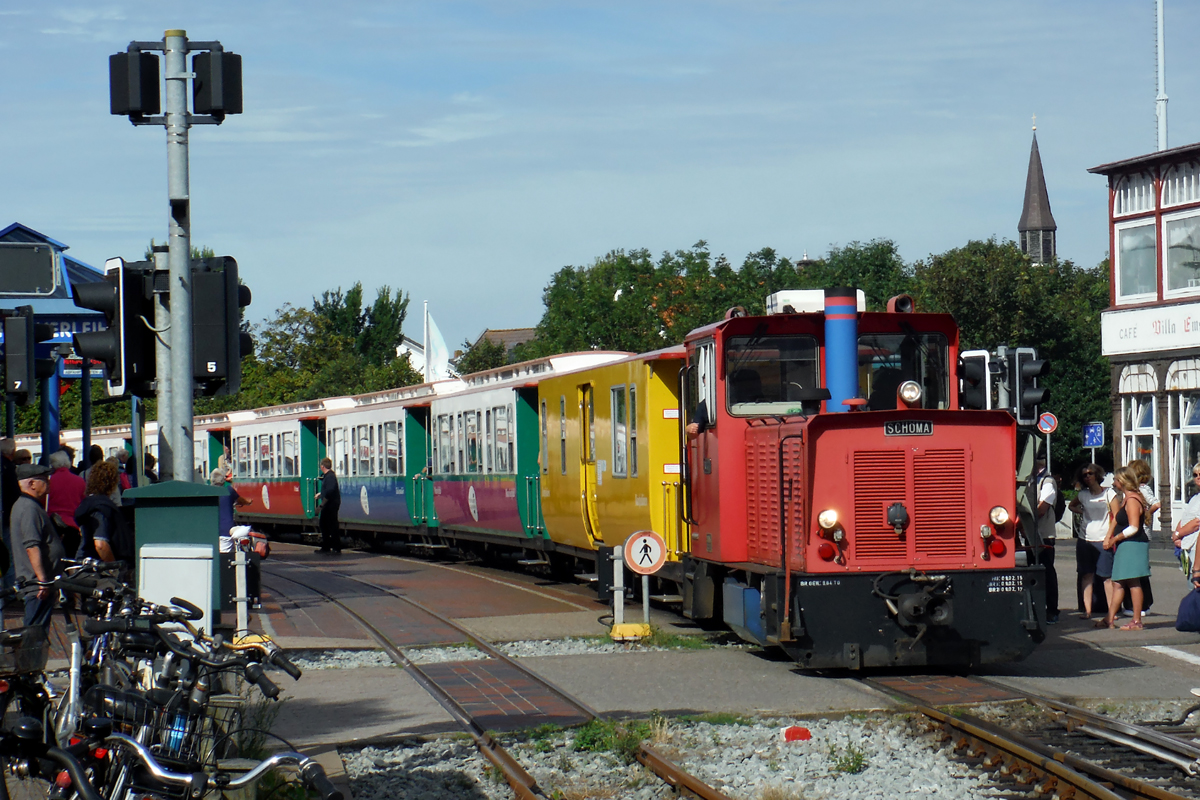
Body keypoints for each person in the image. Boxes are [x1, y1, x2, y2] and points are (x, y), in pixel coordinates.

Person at [10, 464, 64, 629]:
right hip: (36, 587)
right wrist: (42, 580)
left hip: (39, 585)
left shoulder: (31, 506)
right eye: (44, 480)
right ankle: (28, 656)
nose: (48, 483)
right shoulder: (28, 508)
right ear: (32, 484)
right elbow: (31, 546)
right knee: (33, 634)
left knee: (37, 632)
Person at [1100, 466, 1151, 630]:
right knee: (1119, 582)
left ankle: (1136, 621)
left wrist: (1115, 538)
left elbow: (1134, 527)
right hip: (1127, 545)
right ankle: (1110, 618)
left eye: (1115, 480)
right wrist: (1109, 535)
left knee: (1133, 581)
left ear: (1122, 481)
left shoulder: (1132, 500)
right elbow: (1116, 520)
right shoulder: (1127, 498)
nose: (1114, 483)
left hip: (1133, 544)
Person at [1068, 464, 1114, 618]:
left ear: (1097, 475)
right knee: (1086, 574)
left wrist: (1110, 536)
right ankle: (1087, 610)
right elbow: (1071, 506)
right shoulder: (1083, 495)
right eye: (1085, 475)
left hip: (1103, 538)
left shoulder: (1108, 493)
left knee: (1106, 577)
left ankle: (1112, 611)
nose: (1087, 477)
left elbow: (1117, 514)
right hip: (1085, 539)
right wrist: (1083, 511)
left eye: (1090, 473)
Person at [75, 461, 134, 571]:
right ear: (112, 483)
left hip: (85, 563)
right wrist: (113, 569)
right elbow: (100, 544)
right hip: (98, 569)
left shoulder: (87, 504)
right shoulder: (101, 507)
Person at [1129, 459, 1160, 615]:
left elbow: (1156, 503)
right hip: (1137, 532)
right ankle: (1136, 604)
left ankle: (1144, 604)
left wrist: (1147, 513)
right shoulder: (1135, 489)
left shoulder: (1143, 489)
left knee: (1139, 570)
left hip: (1143, 533)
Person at [46, 450, 86, 559]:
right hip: (72, 524)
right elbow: (84, 502)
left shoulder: (48, 482)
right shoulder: (79, 481)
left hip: (53, 524)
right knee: (70, 558)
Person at [1034, 455, 1059, 624]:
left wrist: (1021, 523)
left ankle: (1052, 610)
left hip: (1044, 534)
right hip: (1031, 534)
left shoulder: (1047, 481)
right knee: (1034, 571)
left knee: (1046, 572)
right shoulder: (1032, 480)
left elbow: (1043, 507)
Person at [316, 458, 341, 554]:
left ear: (322, 466)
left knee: (330, 526)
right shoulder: (329, 476)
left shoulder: (330, 477)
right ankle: (328, 546)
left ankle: (334, 547)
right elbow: (329, 490)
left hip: (330, 505)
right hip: (329, 504)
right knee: (326, 525)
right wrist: (321, 494)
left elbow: (330, 491)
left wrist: (321, 505)